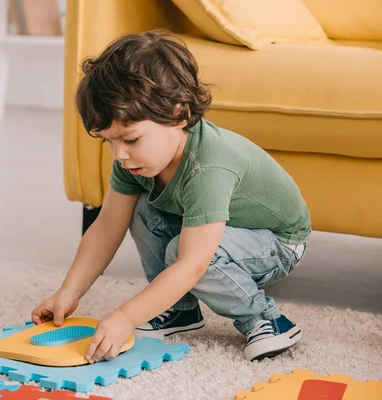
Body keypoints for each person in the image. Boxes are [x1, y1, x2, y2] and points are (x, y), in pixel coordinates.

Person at [31, 30, 310, 362]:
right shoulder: (133, 162)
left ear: (180, 115)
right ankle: (179, 309)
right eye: (109, 141)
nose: (119, 154)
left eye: (131, 140)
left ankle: (266, 319)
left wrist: (126, 316)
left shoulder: (208, 166)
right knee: (137, 210)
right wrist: (69, 291)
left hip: (277, 243)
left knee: (186, 254)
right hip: (220, 233)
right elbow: (107, 227)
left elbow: (192, 264)